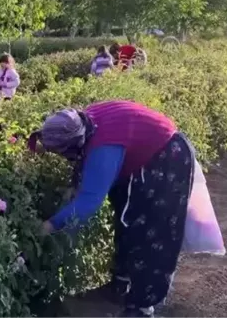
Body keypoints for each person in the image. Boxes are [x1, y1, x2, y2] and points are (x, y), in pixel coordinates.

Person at [27, 100, 196, 318]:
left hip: (166, 158)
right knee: (127, 219)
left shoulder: (104, 148)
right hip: (141, 158)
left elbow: (89, 201)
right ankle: (120, 285)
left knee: (153, 232)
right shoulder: (79, 123)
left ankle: (142, 306)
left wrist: (49, 225)